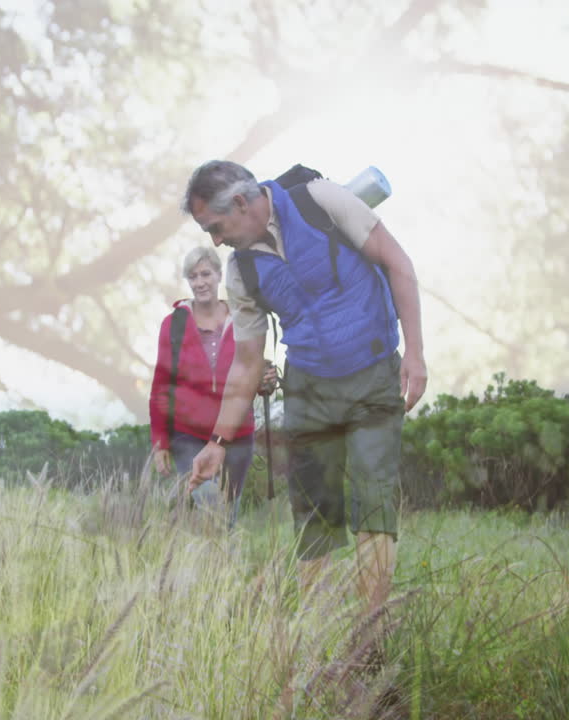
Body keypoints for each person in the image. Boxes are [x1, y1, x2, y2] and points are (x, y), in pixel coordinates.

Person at [182, 160, 428, 629]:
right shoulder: (241, 272)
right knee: (315, 515)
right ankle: (316, 636)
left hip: (373, 376)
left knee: (374, 503)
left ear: (240, 203)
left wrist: (414, 353)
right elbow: (247, 363)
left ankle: (369, 637)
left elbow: (397, 263)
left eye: (215, 227)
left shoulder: (320, 200)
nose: (216, 241)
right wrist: (218, 441)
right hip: (308, 390)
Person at [148, 246, 271, 522]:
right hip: (188, 436)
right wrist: (160, 442)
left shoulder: (242, 319)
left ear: (219, 275)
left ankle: (220, 553)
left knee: (228, 515)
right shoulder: (173, 324)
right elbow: (161, 387)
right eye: (193, 276)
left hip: (236, 436)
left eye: (206, 274)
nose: (200, 282)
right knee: (211, 505)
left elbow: (251, 369)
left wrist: (264, 381)